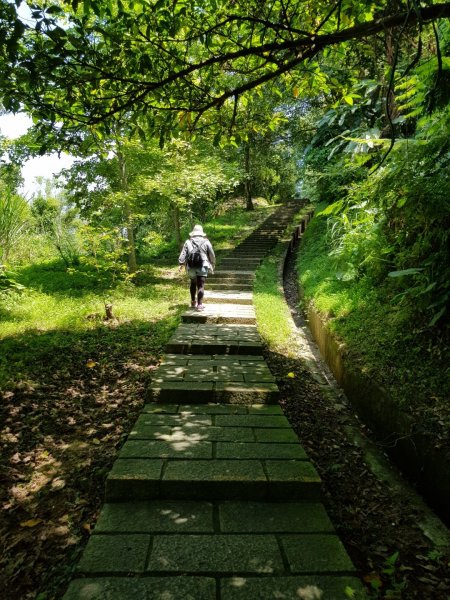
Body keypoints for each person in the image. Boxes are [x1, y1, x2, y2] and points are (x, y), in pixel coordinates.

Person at [178, 224, 216, 311]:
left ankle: (192, 302)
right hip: (203, 265)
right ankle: (199, 305)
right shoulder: (206, 241)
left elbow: (183, 253)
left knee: (193, 283)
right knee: (201, 285)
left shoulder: (188, 242)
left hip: (191, 266)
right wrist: (213, 263)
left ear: (193, 233)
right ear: (202, 233)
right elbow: (212, 254)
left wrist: (181, 264)